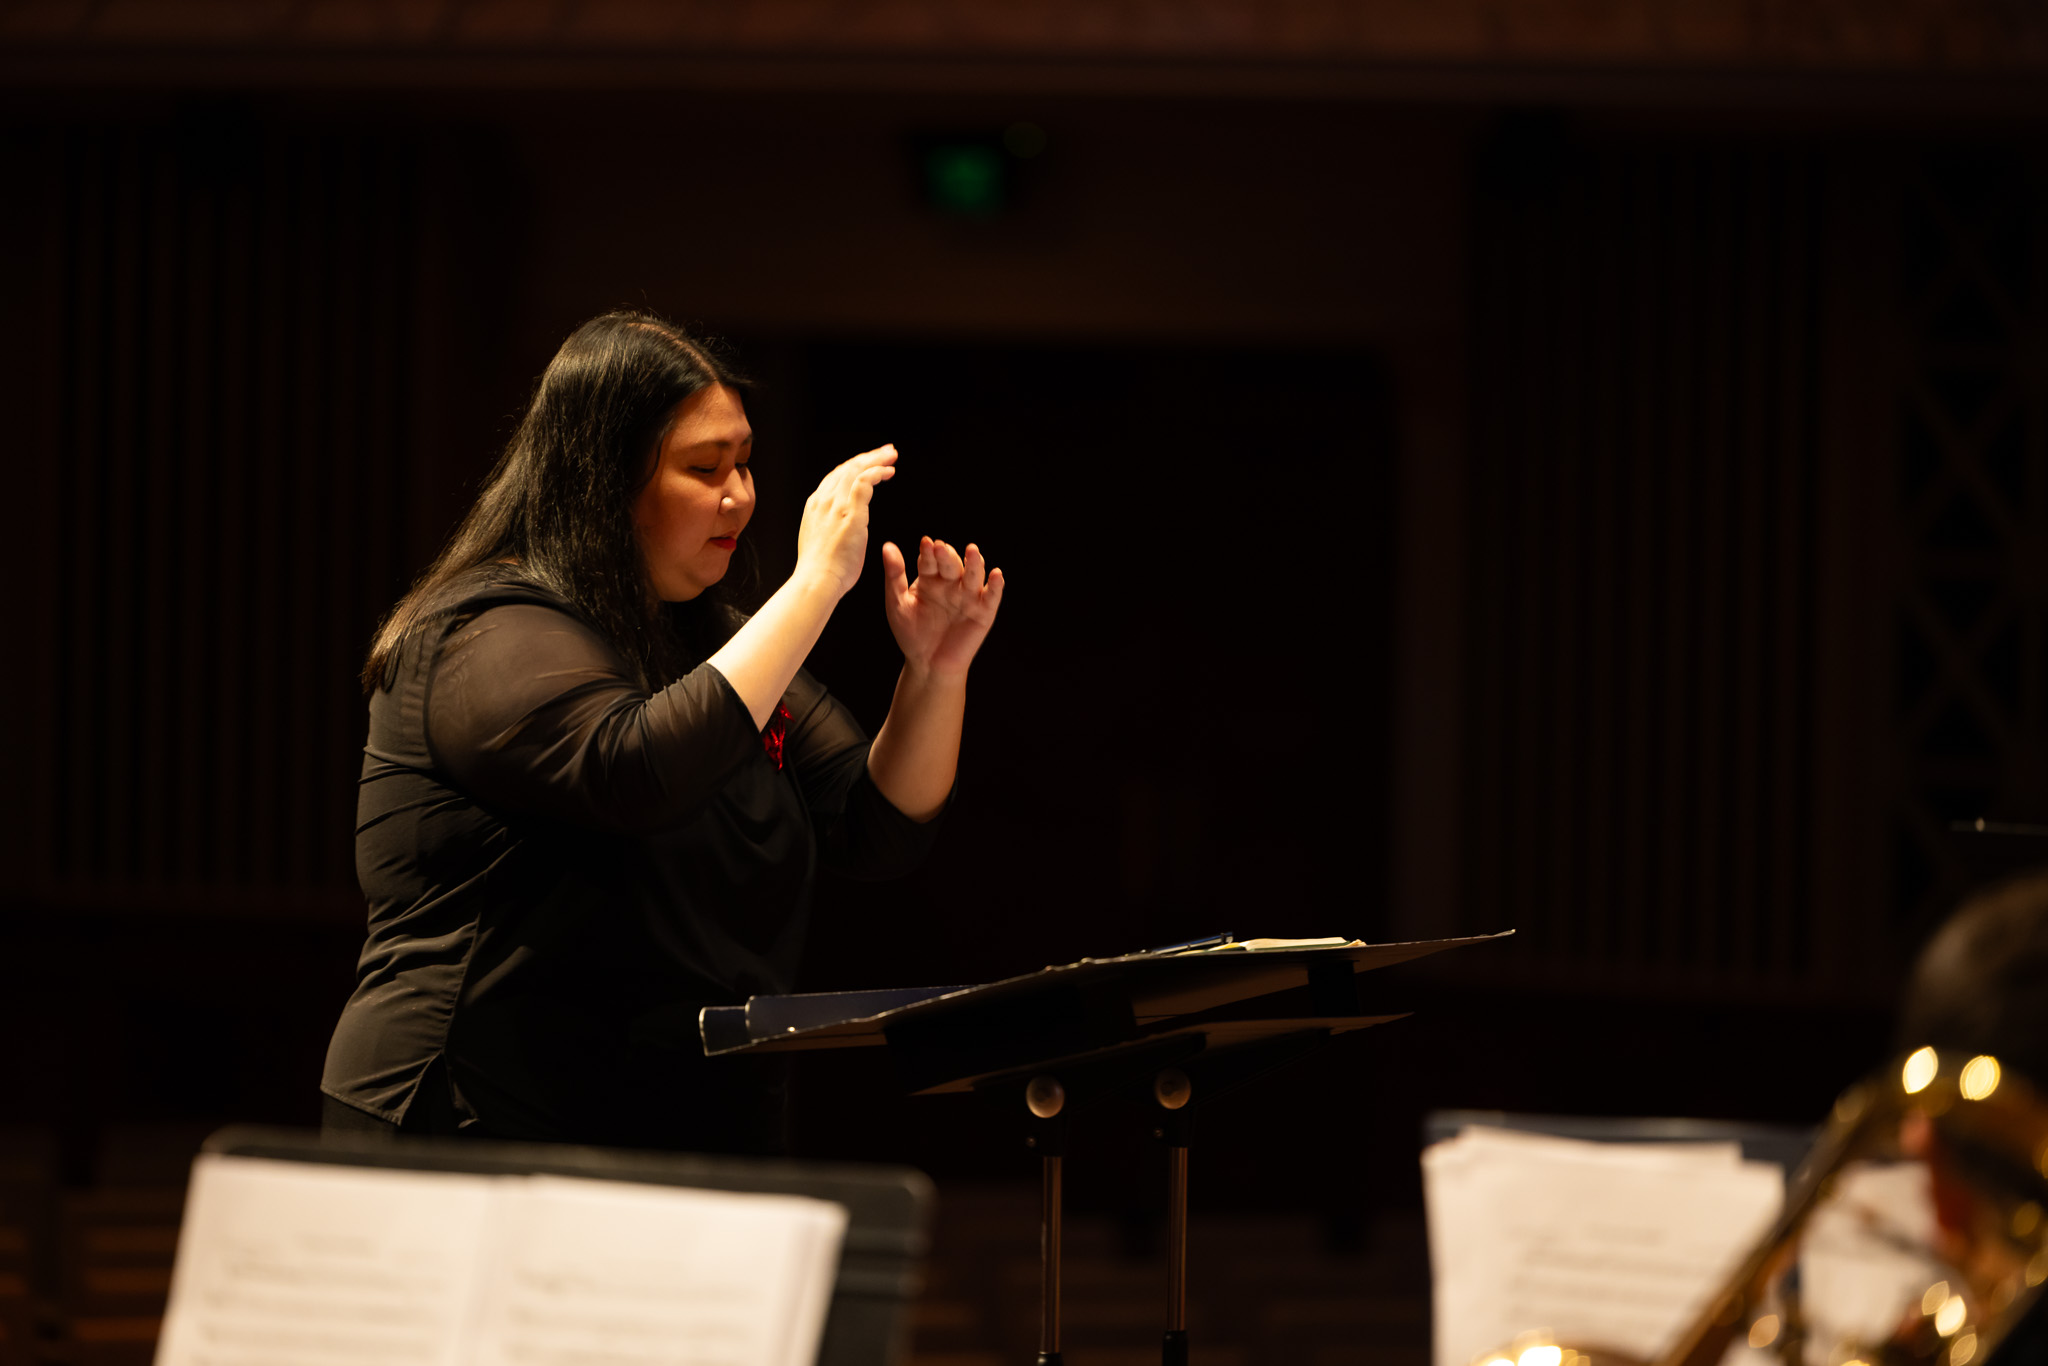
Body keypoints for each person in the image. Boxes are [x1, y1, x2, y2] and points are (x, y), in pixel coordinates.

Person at [319, 311, 1003, 1152]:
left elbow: (876, 826)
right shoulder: (485, 632)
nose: (739, 494)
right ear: (605, 482)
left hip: (669, 1119)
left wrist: (934, 674)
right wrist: (816, 585)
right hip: (472, 1116)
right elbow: (637, 774)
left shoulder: (710, 639)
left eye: (744, 463)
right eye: (705, 467)